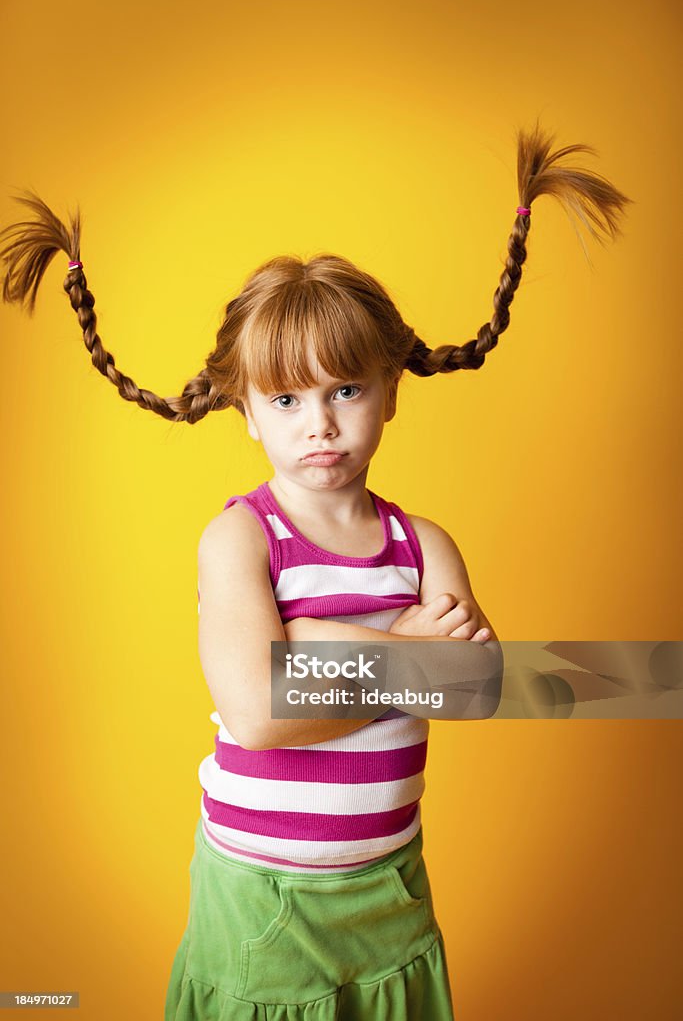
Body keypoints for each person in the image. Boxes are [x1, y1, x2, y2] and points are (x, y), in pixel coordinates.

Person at [0, 120, 631, 1019]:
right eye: (286, 399)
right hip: (264, 900)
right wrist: (395, 648)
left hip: (390, 896)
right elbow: (258, 711)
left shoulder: (423, 546)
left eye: (345, 389)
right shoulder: (241, 542)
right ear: (245, 413)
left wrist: (309, 647)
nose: (319, 424)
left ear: (390, 389)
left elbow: (476, 685)